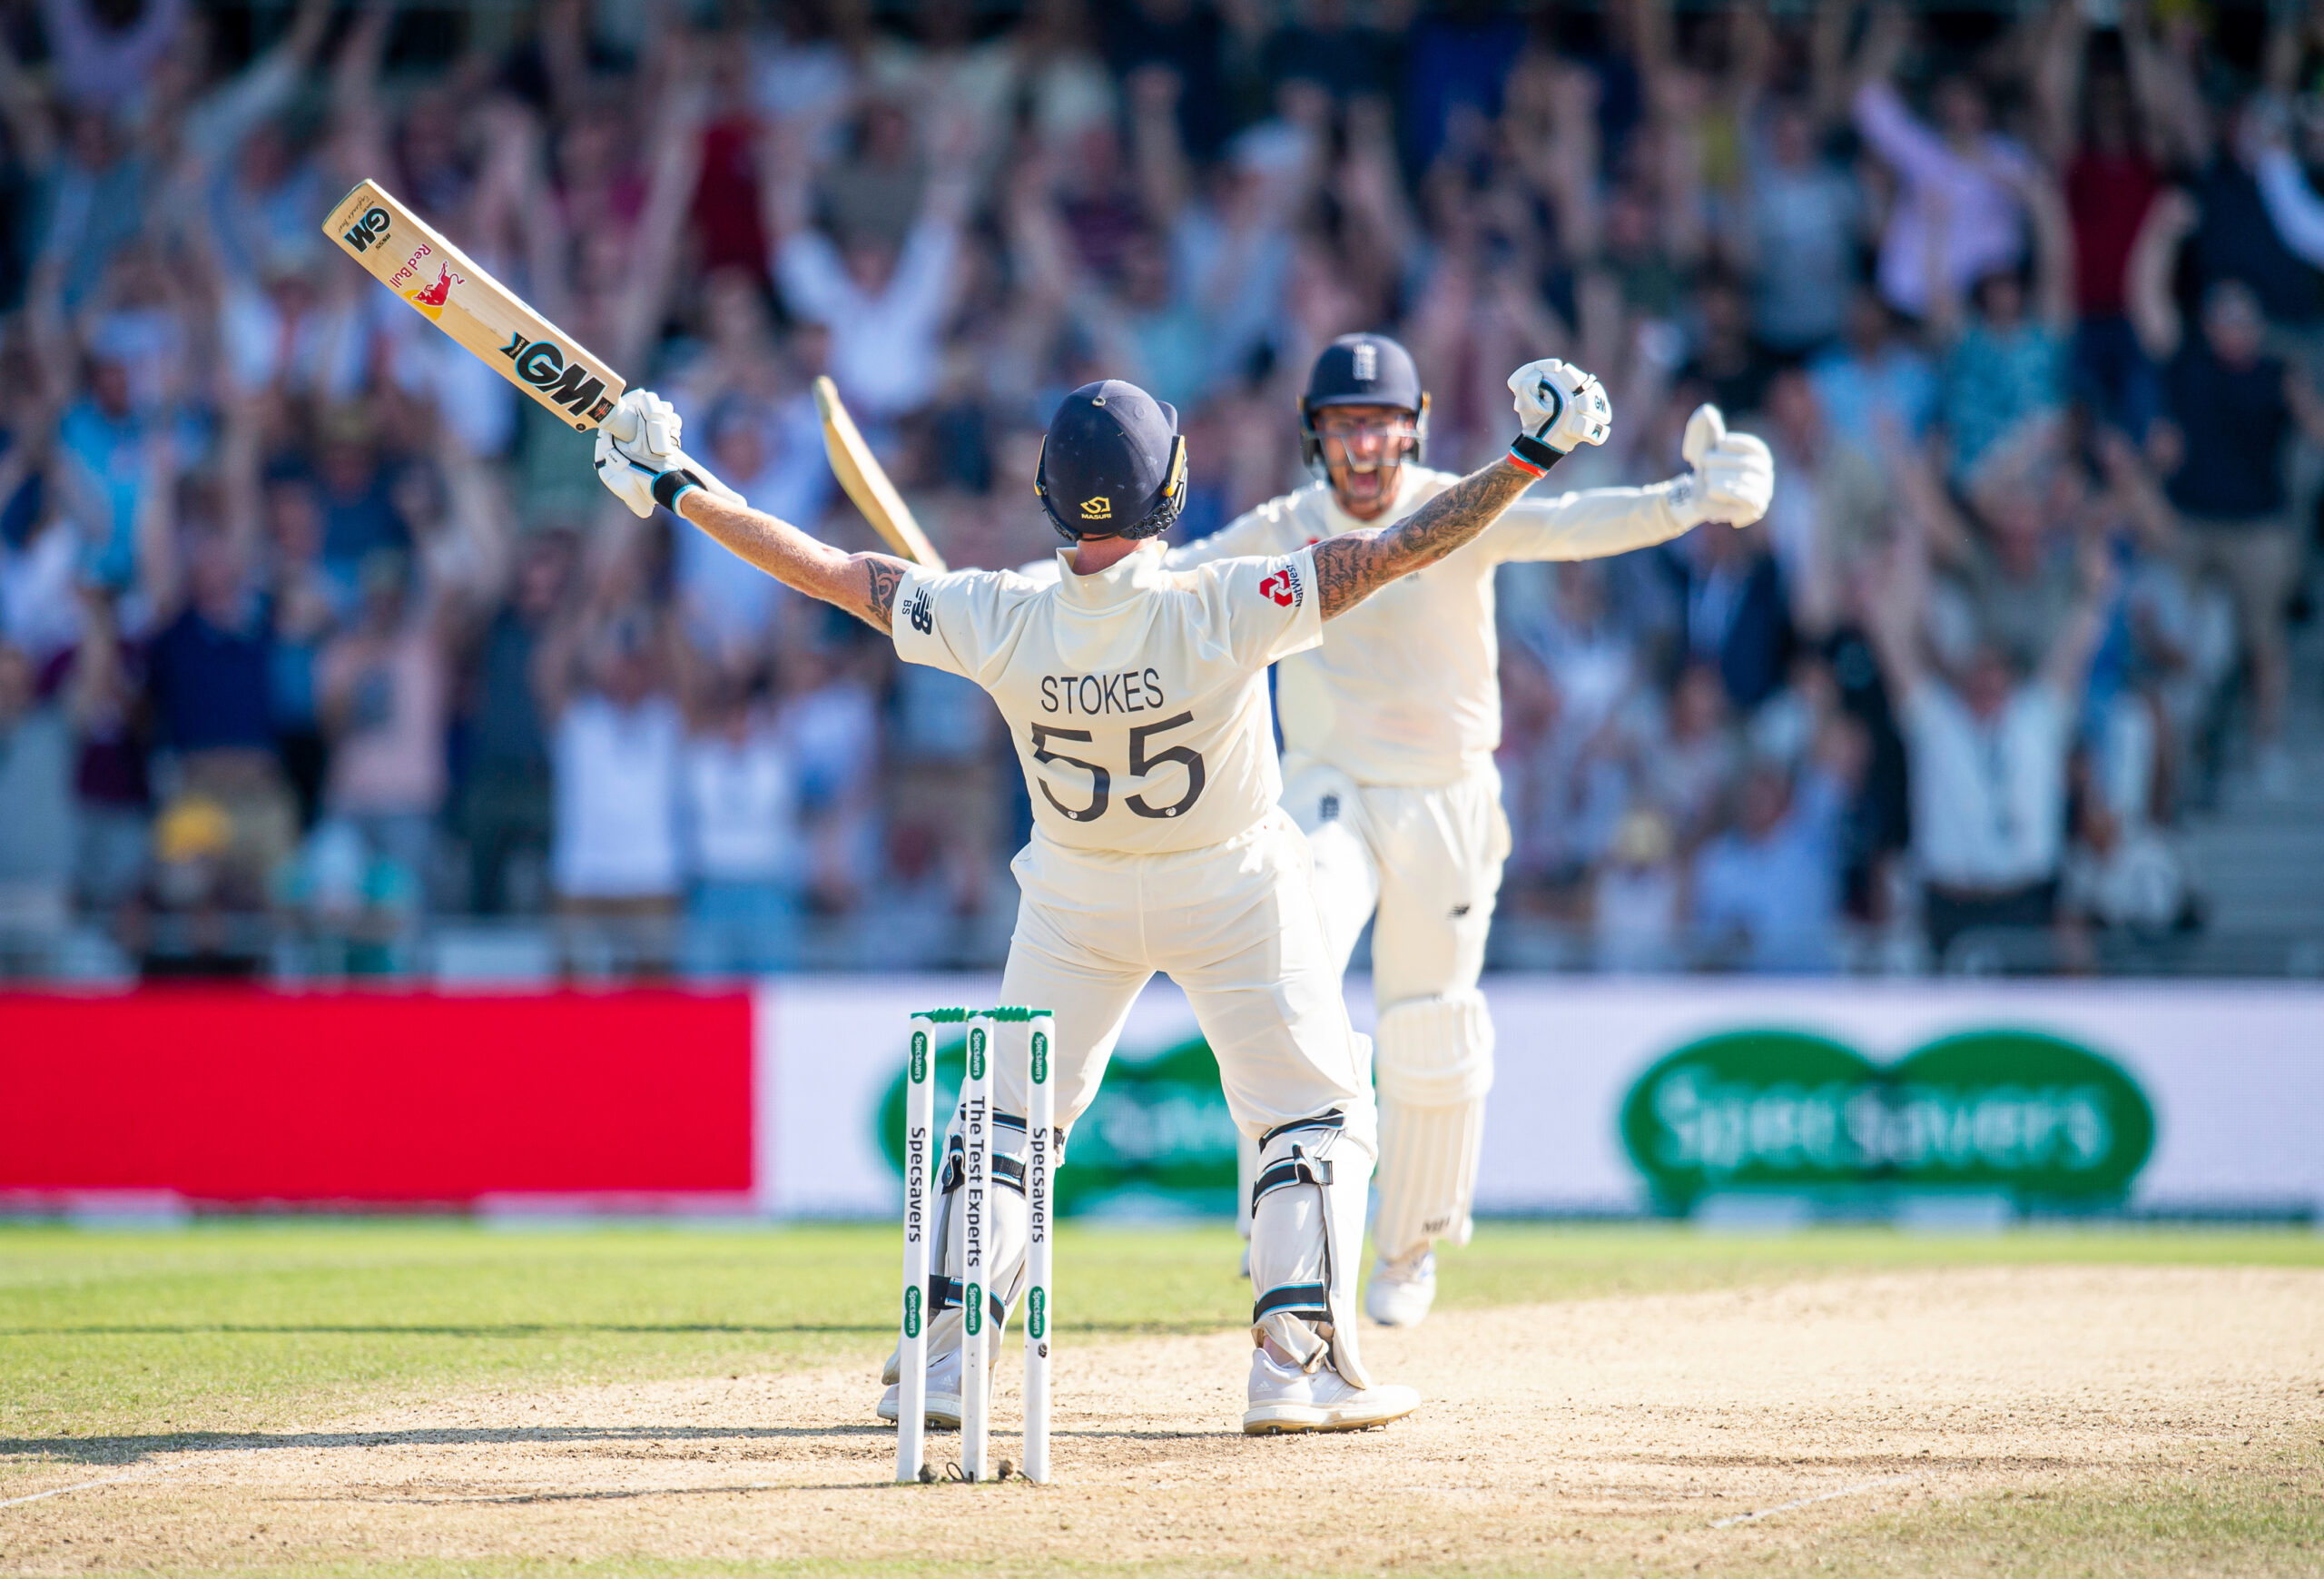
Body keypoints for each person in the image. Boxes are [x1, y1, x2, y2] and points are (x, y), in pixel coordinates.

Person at [592, 356, 1613, 1434]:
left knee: (1004, 1126)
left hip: (1075, 901)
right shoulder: (1230, 597)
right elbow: (1404, 546)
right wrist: (1531, 455)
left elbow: (837, 574)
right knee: (1310, 1109)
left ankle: (944, 1361)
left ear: (1045, 493)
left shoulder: (1003, 612)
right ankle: (1291, 1365)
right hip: (1230, 887)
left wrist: (680, 487)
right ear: (1171, 494)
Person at [1161, 334, 1773, 1327]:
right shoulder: (1285, 525)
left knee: (1431, 1023)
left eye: (1381, 427)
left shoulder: (1463, 506)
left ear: (1417, 426)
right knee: (1293, 959)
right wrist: (1047, 603)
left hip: (1446, 796)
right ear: (1316, 436)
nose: (1363, 449)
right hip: (1332, 788)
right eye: (1343, 427)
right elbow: (1174, 582)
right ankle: (1279, 1216)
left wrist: (1689, 500)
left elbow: (1572, 524)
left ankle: (1406, 1248)